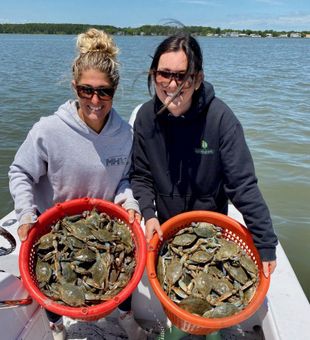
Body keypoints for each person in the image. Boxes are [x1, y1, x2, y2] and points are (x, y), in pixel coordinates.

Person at [130, 31, 278, 339]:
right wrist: (149, 214)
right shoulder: (146, 118)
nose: (171, 85)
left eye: (181, 76)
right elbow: (142, 175)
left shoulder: (221, 119)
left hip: (211, 234)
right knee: (173, 301)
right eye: (163, 75)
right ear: (153, 75)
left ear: (197, 79)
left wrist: (265, 243)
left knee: (212, 311)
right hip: (167, 230)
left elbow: (243, 185)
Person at [9, 28, 147, 340]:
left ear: (115, 91)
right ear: (75, 88)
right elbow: (20, 173)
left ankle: (127, 321)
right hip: (56, 234)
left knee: (119, 275)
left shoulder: (124, 135)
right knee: (53, 285)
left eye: (104, 92)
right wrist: (26, 214)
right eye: (86, 90)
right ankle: (56, 328)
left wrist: (131, 203)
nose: (95, 100)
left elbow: (124, 179)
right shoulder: (48, 130)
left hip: (106, 232)